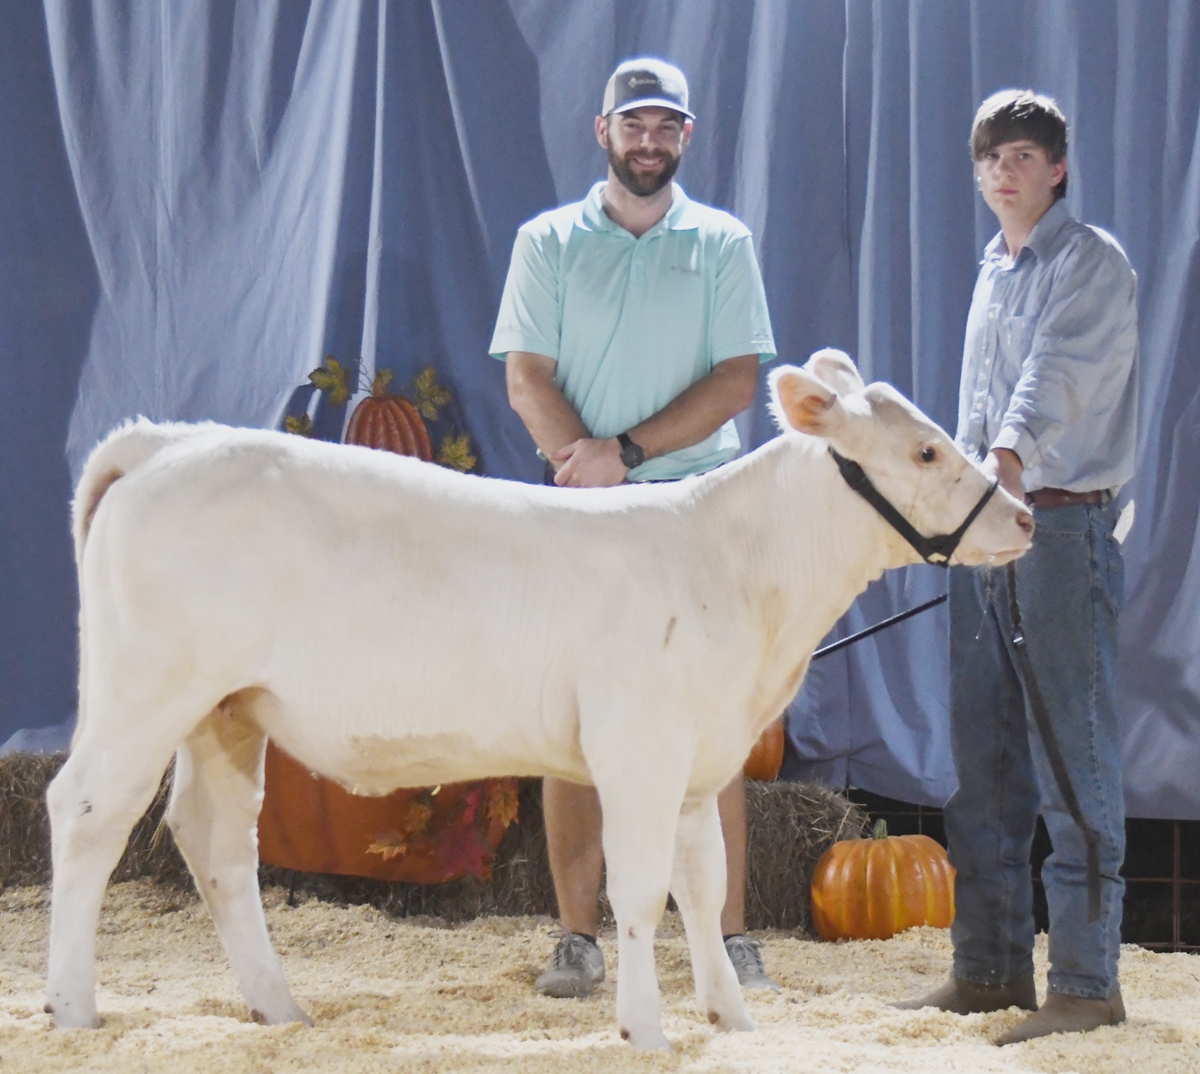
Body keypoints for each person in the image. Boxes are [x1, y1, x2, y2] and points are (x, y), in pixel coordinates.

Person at [489, 57, 778, 999]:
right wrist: (587, 463)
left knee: (713, 730)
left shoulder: (723, 243)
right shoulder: (547, 241)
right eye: (632, 124)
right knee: (572, 731)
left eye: (664, 126)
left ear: (685, 136)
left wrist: (629, 452)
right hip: (583, 514)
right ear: (603, 133)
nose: (647, 142)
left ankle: (729, 941)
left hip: (699, 512)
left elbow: (739, 379)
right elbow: (526, 376)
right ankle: (578, 939)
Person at [896, 90, 1138, 1045]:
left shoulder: (1091, 263)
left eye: (1025, 155)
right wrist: (954, 505)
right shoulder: (992, 272)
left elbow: (1054, 378)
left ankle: (1085, 984)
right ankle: (989, 968)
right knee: (985, 760)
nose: (1005, 171)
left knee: (1073, 757)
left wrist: (998, 464)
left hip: (1059, 529)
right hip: (987, 534)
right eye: (992, 157)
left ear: (1058, 169)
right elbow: (976, 405)